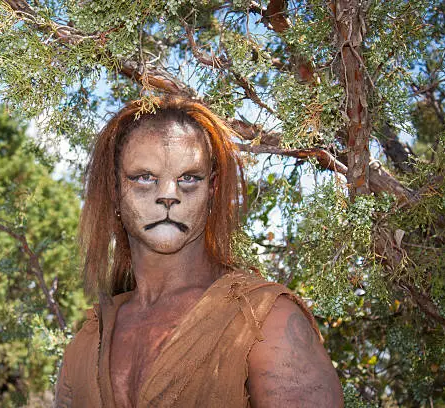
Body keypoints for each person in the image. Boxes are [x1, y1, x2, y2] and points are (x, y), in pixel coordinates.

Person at [55, 96, 343, 407]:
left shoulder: (264, 318)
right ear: (114, 190)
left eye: (189, 178)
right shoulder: (87, 341)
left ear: (212, 189)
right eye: (144, 178)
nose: (168, 195)